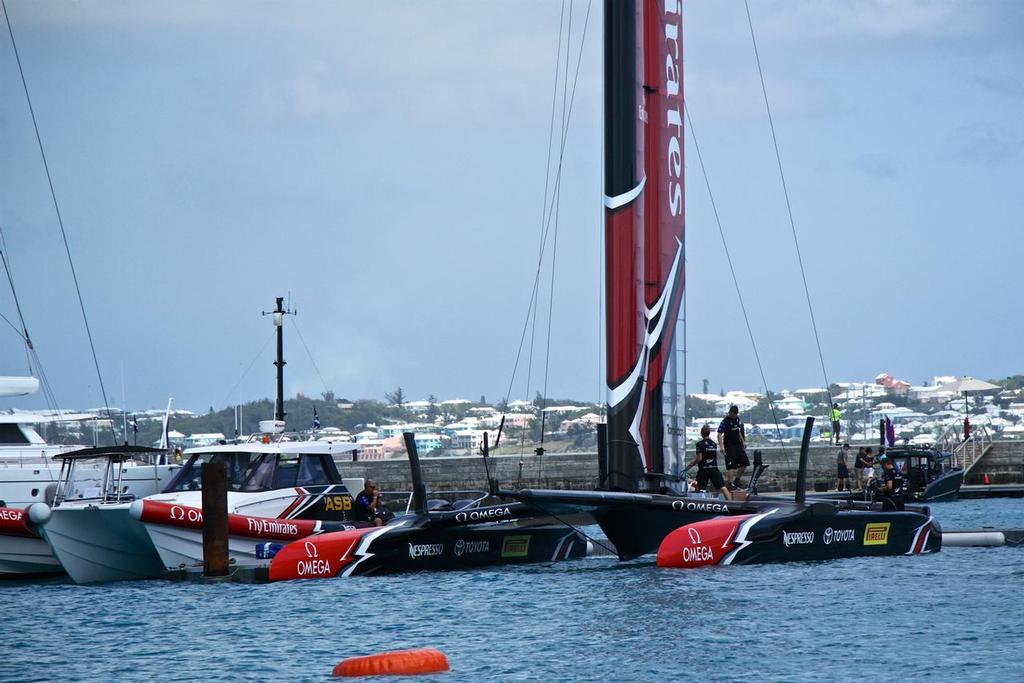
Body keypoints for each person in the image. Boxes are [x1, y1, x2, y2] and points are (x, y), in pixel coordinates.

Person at [684, 425, 732, 500]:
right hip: (714, 468)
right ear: (709, 433)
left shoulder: (699, 444)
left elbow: (699, 458)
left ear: (701, 433)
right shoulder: (713, 444)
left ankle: (700, 504)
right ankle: (731, 504)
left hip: (704, 469)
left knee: (699, 488)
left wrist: (690, 464)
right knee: (722, 487)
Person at [718, 405, 750, 489]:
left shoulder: (737, 419)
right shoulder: (725, 421)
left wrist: (743, 441)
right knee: (731, 466)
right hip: (729, 446)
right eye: (731, 413)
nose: (732, 415)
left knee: (745, 463)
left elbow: (738, 431)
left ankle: (737, 480)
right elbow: (719, 433)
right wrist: (721, 446)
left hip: (738, 445)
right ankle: (730, 483)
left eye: (734, 414)